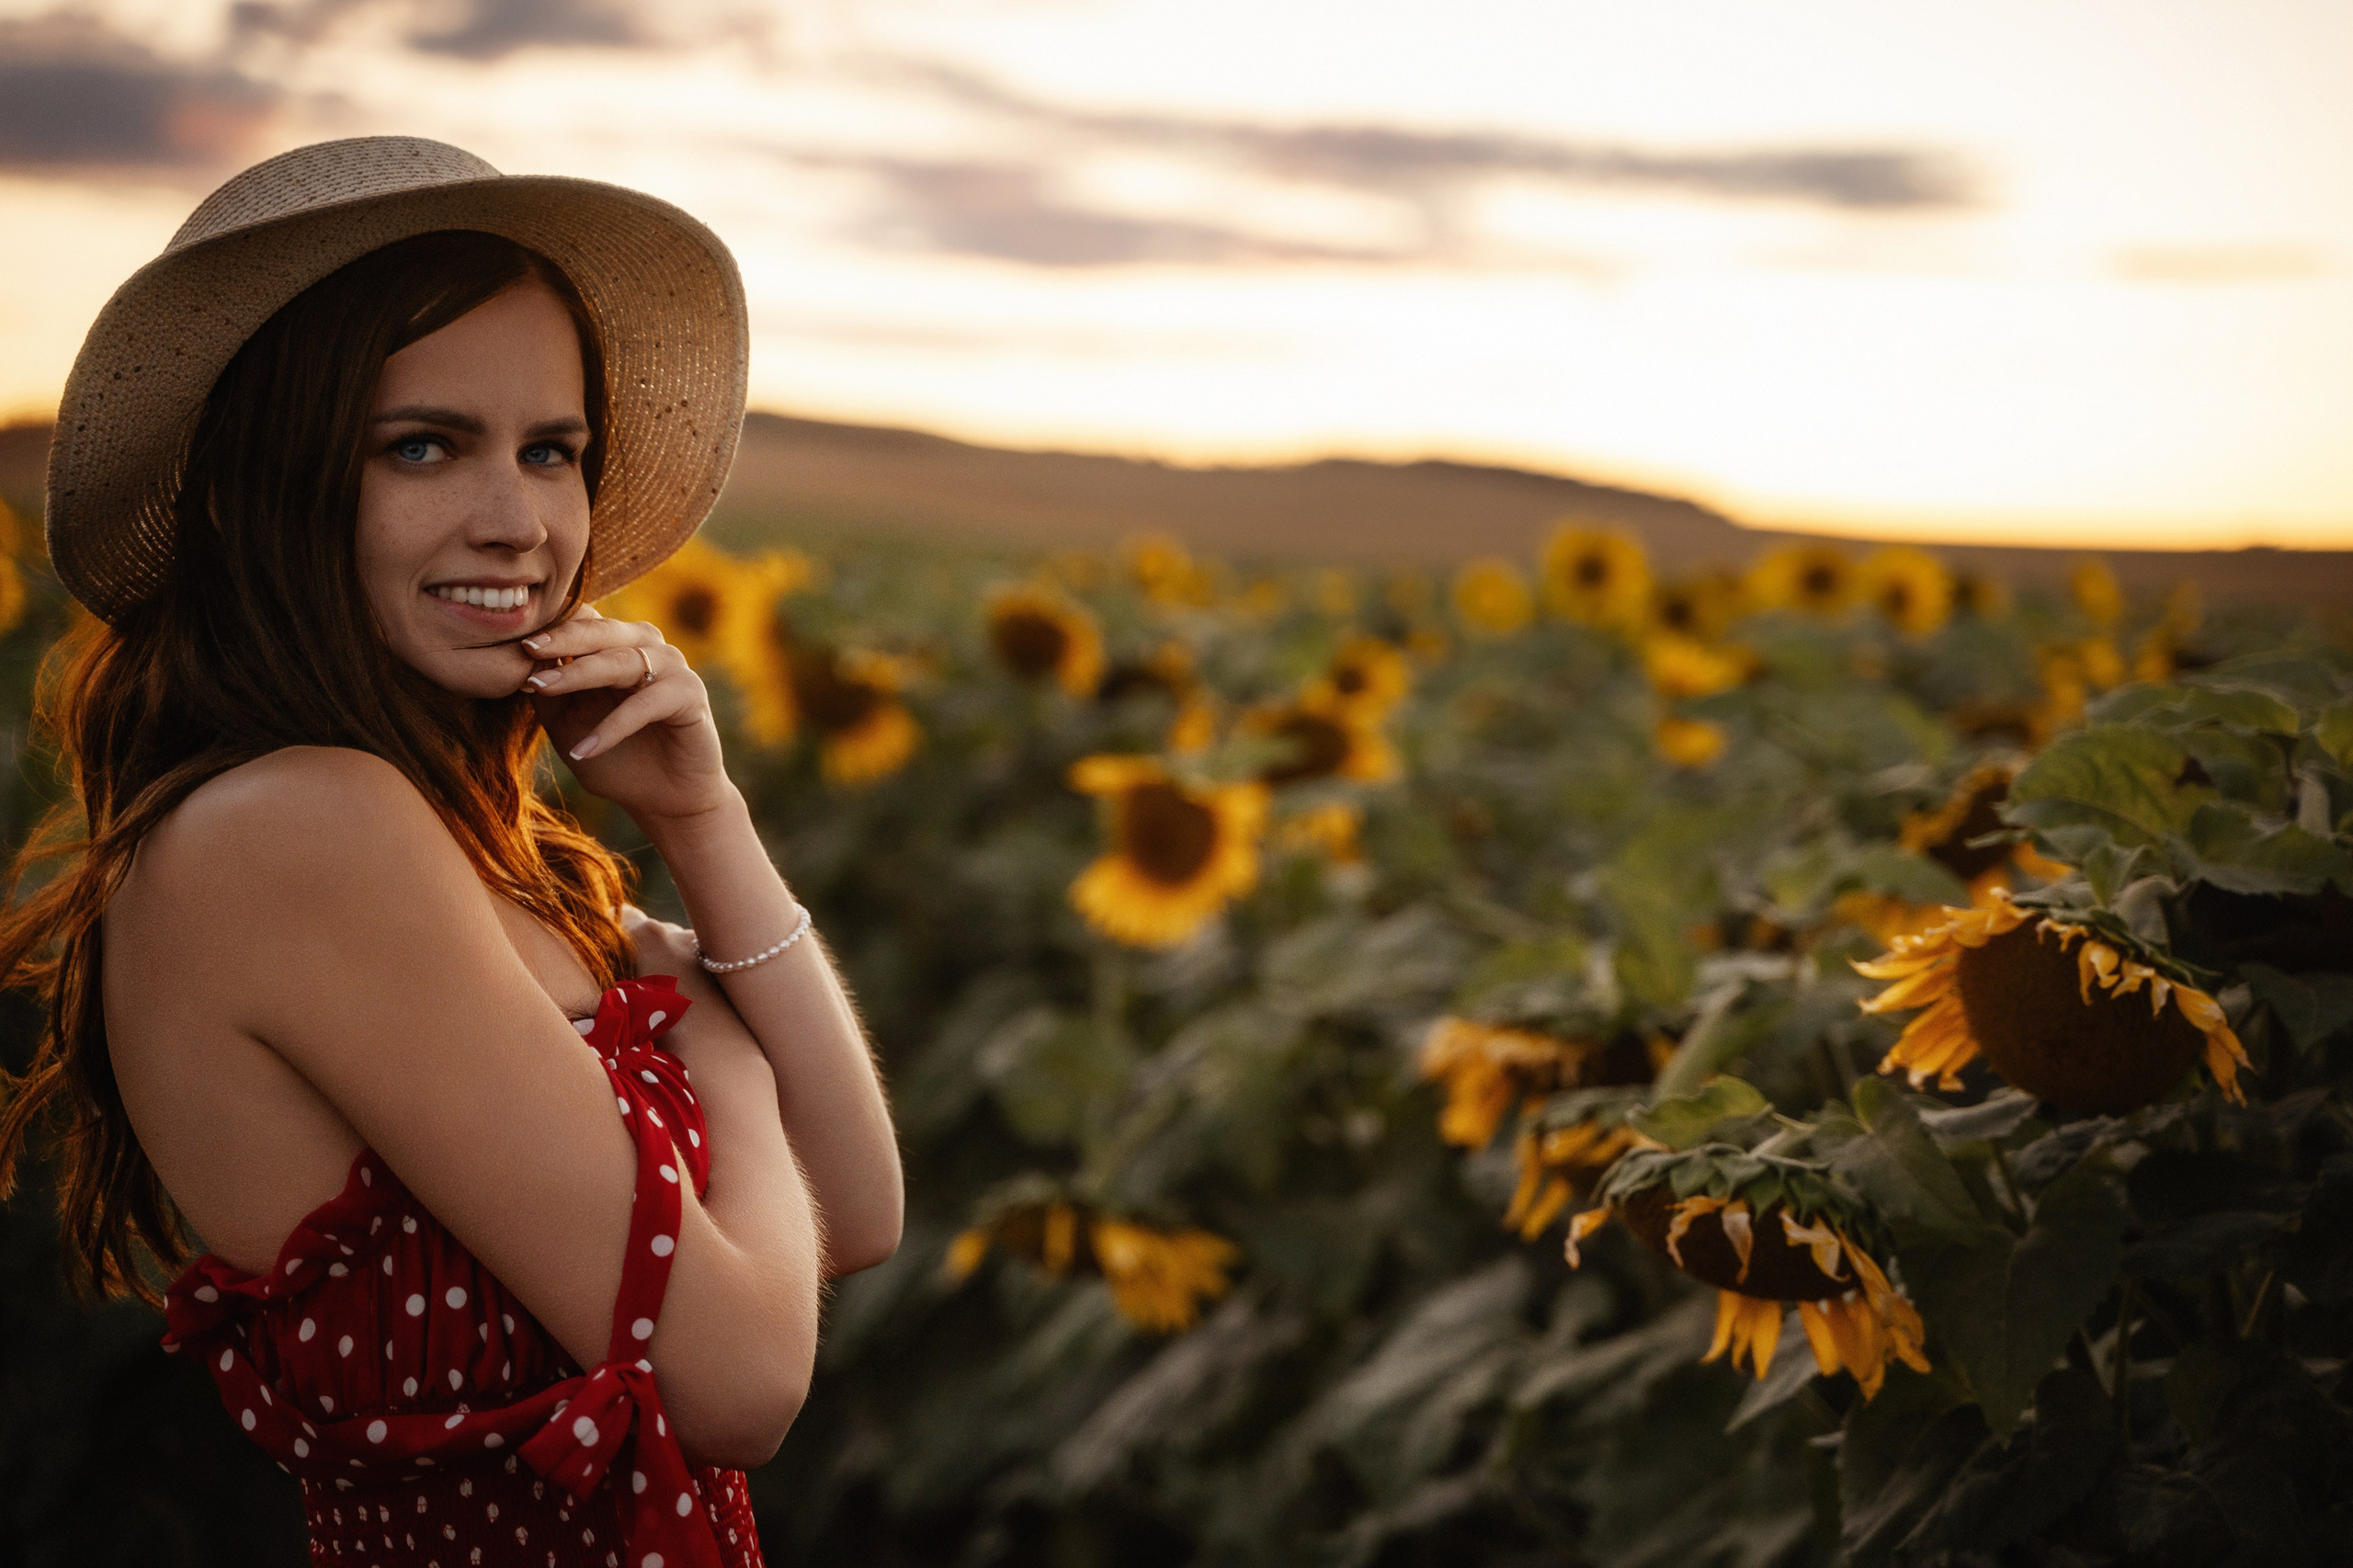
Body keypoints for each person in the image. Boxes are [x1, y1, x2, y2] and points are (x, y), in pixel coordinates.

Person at [0, 137, 902, 1567]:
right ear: (271, 483)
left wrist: (701, 820)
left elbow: (852, 1207)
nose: (519, 521)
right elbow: (740, 1382)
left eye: (552, 450)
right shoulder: (298, 830)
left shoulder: (467, 849)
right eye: (422, 445)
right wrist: (721, 1054)